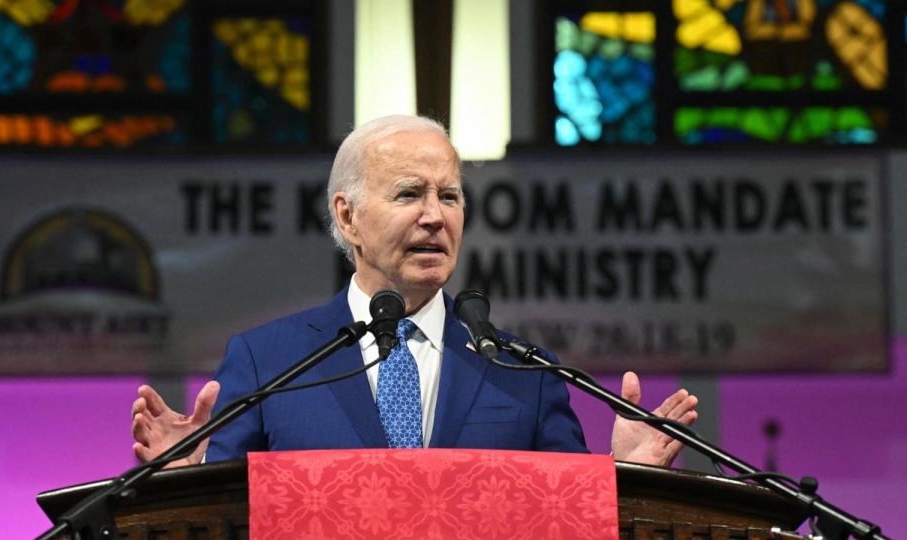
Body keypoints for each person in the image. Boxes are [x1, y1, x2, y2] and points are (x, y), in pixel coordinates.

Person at [131, 115, 698, 468]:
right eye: (409, 194)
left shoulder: (525, 372)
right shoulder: (266, 361)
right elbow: (225, 518)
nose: (434, 217)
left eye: (449, 197)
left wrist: (626, 476)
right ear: (347, 217)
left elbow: (567, 520)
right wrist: (180, 486)